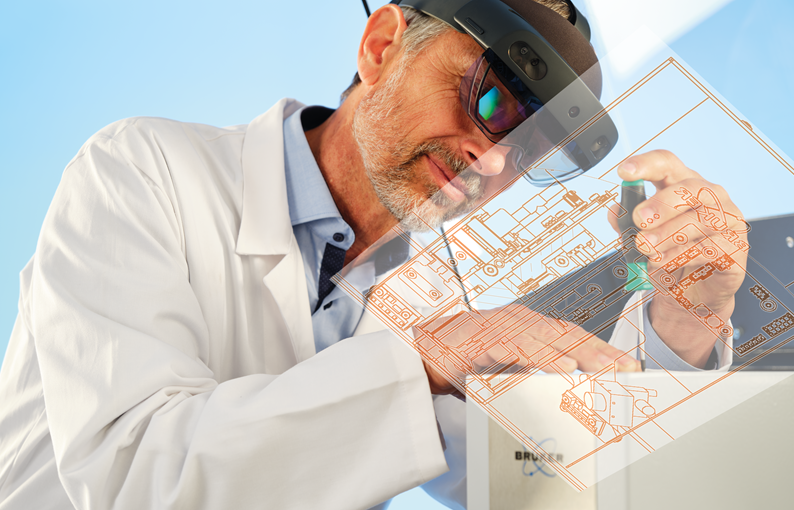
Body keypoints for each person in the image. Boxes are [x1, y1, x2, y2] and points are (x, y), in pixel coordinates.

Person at [0, 1, 746, 509]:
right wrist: (422, 364)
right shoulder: (147, 169)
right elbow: (132, 476)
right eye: (487, 100)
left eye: (529, 150)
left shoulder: (439, 303)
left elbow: (563, 480)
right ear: (381, 46)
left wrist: (689, 323)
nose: (491, 163)